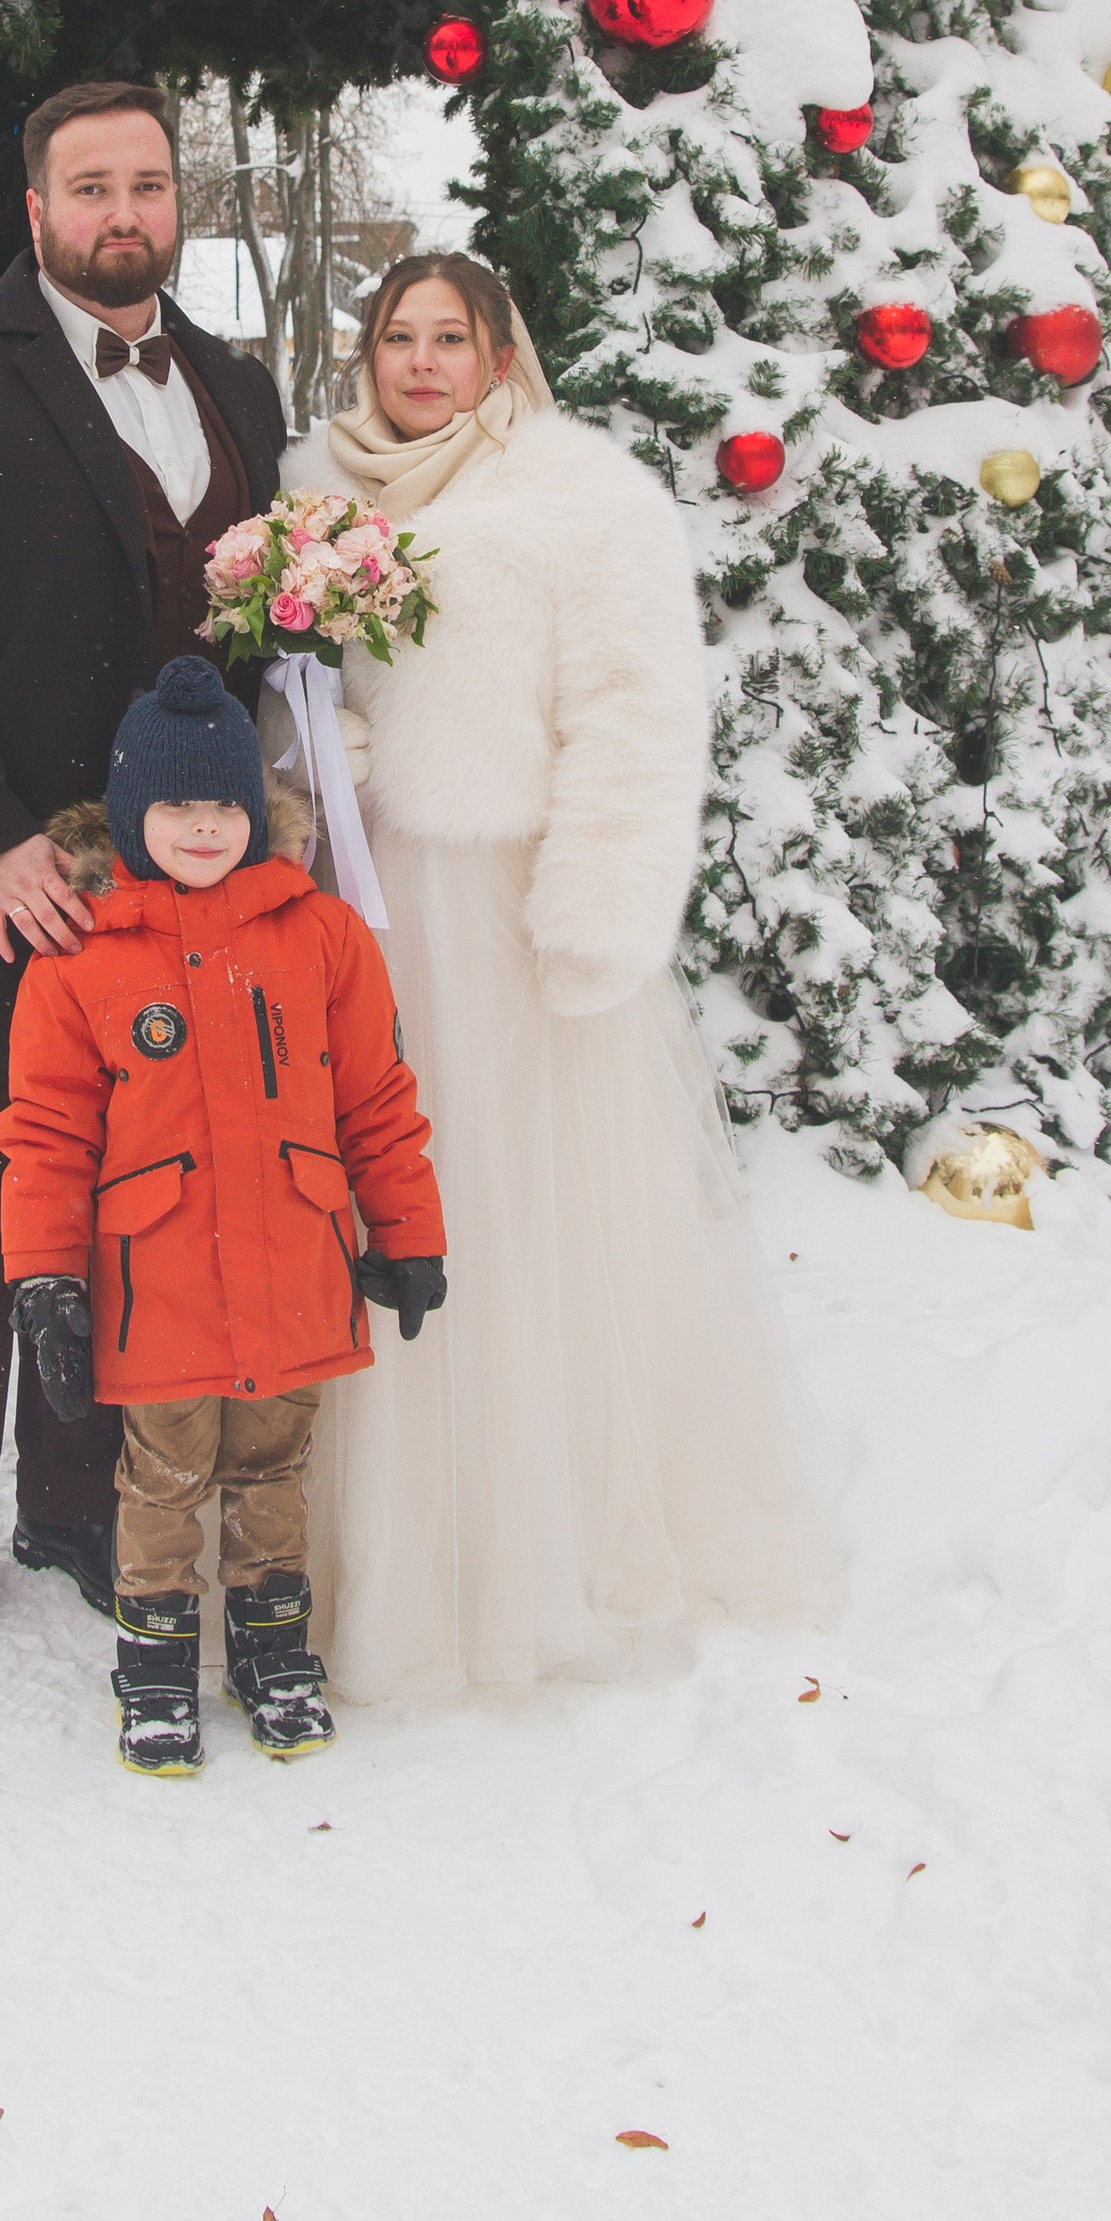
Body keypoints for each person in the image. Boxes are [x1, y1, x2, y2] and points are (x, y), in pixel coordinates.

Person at [293, 253, 842, 1699]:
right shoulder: (312, 492)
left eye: (450, 338)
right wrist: (318, 754)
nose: (421, 363)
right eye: (397, 337)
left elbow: (636, 710)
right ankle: (378, 1550)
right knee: (367, 1199)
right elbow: (291, 687)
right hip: (358, 903)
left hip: (505, 917)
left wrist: (594, 911)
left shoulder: (582, 499)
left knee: (506, 1213)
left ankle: (537, 1549)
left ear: (499, 355)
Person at [0, 83, 287, 1680]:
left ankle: (79, 1509)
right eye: (91, 186)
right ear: (36, 211)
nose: (123, 212)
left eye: (148, 183)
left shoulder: (238, 388)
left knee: (128, 1209)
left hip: (164, 907)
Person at [0, 656, 448, 1774]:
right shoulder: (79, 960)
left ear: (256, 811)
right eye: (176, 806)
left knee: (273, 1472)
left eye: (224, 807)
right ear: (130, 815)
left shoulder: (322, 936)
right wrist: (45, 1277)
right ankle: (155, 1665)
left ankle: (273, 1651)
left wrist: (409, 1232)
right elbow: (46, 1134)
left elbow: (376, 1099)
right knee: (161, 1477)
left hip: (295, 1266)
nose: (204, 828)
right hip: (159, 1284)